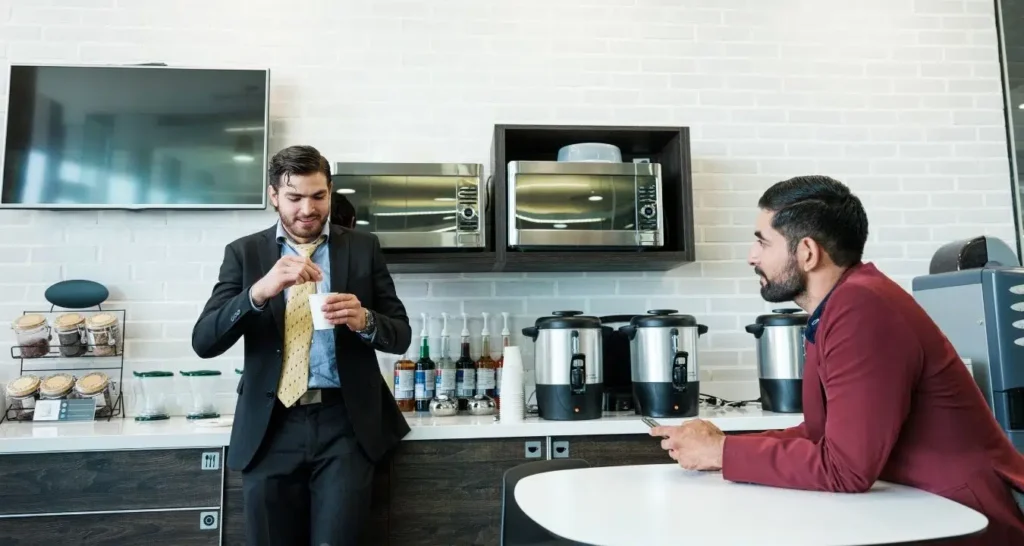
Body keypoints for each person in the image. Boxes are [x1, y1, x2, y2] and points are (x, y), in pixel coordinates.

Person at [650, 175, 1024, 543]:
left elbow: (845, 469)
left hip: (964, 519)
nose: (752, 256)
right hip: (918, 508)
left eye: (763, 242)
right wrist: (719, 444)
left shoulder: (863, 308)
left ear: (807, 252)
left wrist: (722, 452)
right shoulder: (841, 305)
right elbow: (822, 437)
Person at [192, 145, 411, 546]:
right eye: (294, 198)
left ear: (330, 192)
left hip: (345, 424)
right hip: (269, 425)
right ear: (274, 196)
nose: (307, 209)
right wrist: (257, 293)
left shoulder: (363, 248)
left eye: (318, 196)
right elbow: (205, 340)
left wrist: (366, 321)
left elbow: (401, 334)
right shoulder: (244, 253)